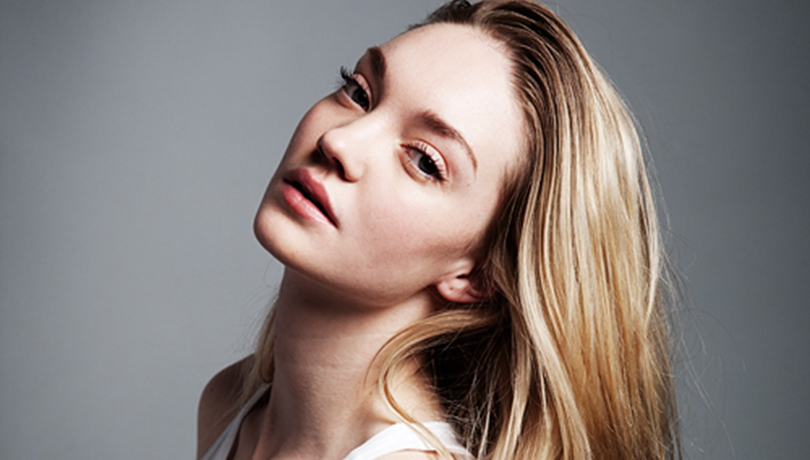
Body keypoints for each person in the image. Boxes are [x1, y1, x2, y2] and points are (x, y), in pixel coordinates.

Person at [197, 1, 679, 459]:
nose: (338, 141)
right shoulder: (229, 404)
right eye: (359, 93)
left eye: (425, 161)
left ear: (476, 274)